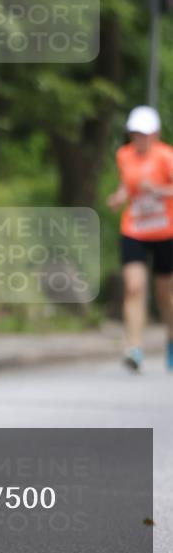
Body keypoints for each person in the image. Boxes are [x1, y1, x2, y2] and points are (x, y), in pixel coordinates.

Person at [107, 105, 173, 372]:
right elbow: (127, 183)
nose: (139, 139)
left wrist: (158, 190)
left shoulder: (166, 156)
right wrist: (120, 196)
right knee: (134, 287)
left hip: (165, 231)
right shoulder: (124, 155)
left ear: (155, 134)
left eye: (144, 134)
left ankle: (171, 338)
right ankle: (134, 348)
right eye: (135, 133)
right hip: (134, 229)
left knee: (165, 295)